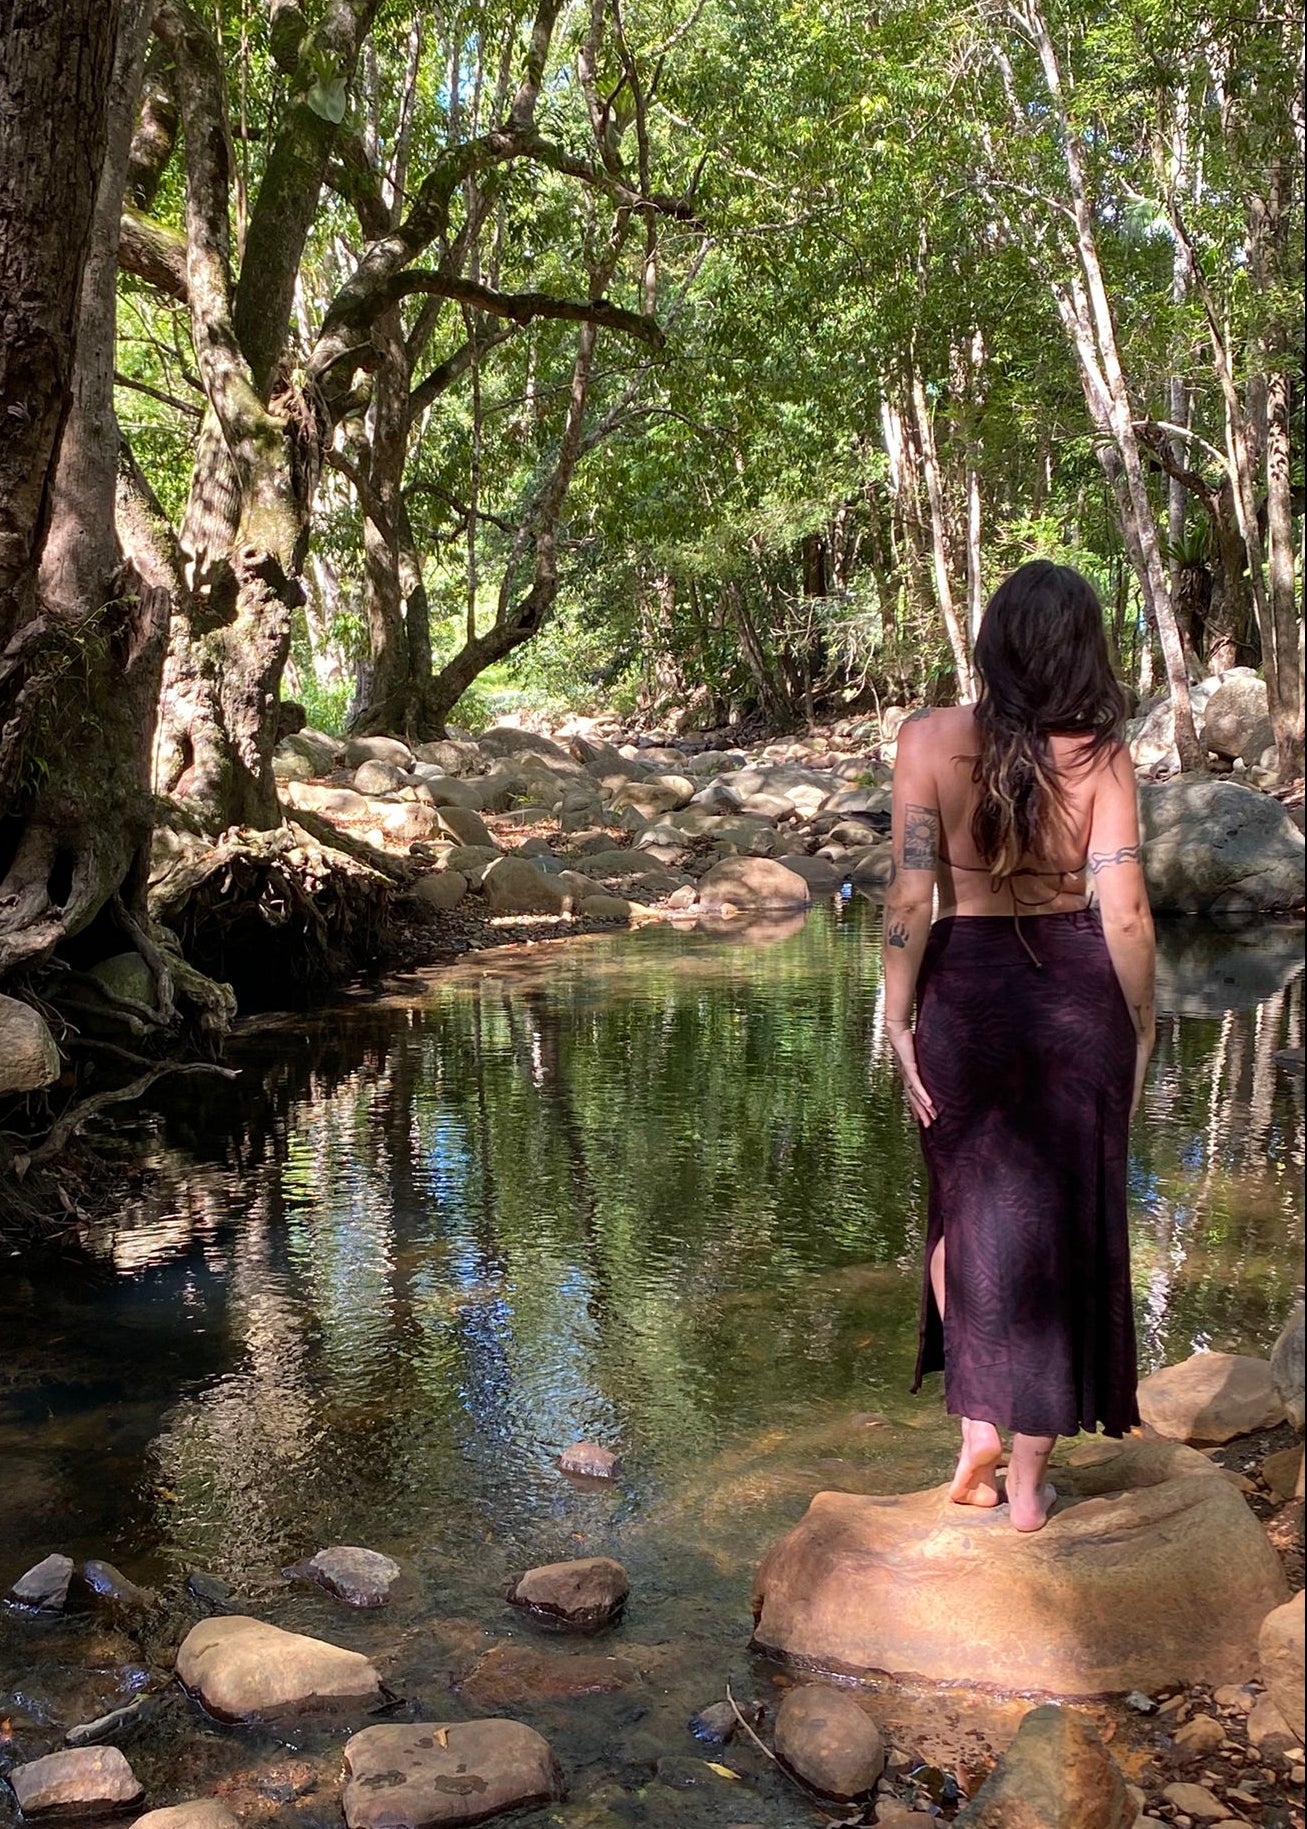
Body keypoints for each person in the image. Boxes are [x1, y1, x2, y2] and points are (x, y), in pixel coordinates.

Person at [882, 560, 1156, 1533]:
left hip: (964, 996)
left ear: (993, 640)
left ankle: (974, 1432)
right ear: (1082, 647)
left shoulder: (924, 738)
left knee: (963, 1218)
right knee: (1061, 1231)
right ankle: (1031, 1481)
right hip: (1074, 1000)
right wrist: (1144, 1026)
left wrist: (896, 1016)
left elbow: (910, 895)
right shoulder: (1098, 759)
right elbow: (1122, 913)